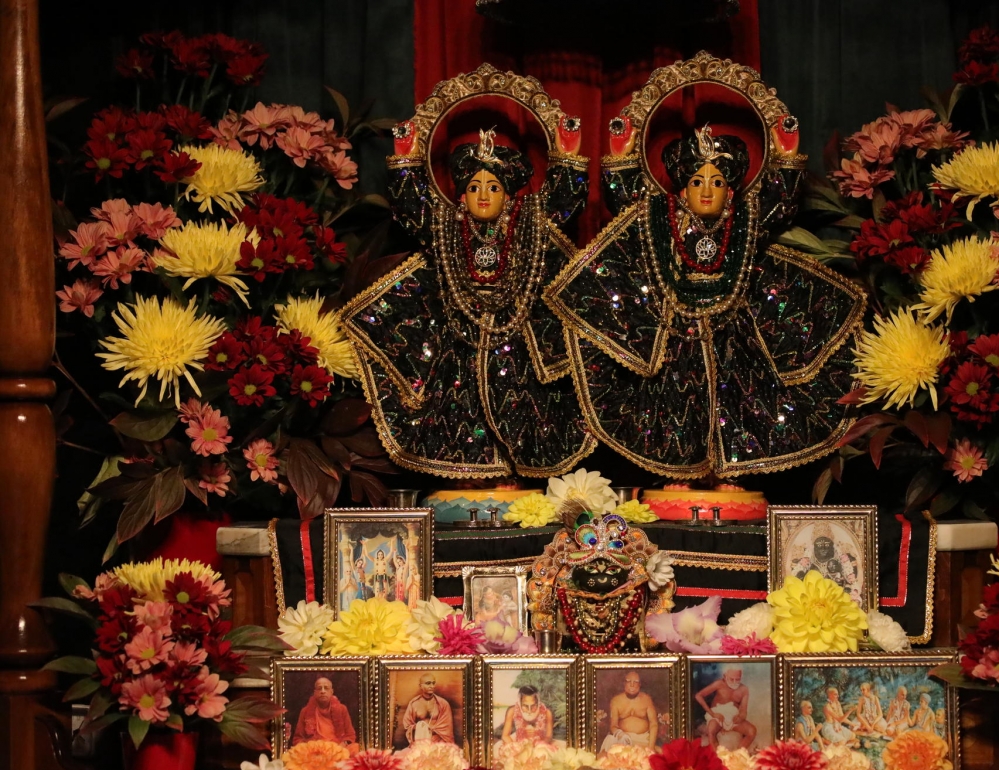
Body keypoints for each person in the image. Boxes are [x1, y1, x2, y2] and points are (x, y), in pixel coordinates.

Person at [545, 86, 865, 478]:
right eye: (697, 182)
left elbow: (779, 206)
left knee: (743, 402)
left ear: (731, 191)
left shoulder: (745, 220)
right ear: (681, 190)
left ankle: (732, 472)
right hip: (675, 333)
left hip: (735, 331)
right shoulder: (662, 219)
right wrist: (622, 156)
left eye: (717, 182)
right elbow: (629, 204)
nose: (707, 190)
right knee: (675, 404)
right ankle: (683, 471)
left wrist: (785, 156)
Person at [347, 103, 594, 478]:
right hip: (459, 345)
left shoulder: (527, 228)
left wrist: (567, 155)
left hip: (516, 347)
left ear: (509, 196)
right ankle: (470, 476)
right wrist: (406, 159)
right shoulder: (446, 229)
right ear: (461, 195)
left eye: (493, 187)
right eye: (474, 187)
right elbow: (413, 209)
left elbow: (561, 205)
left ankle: (514, 472)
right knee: (459, 412)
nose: (483, 196)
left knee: (520, 410)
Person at [694, 667, 757, 750]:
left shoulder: (744, 689)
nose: (734, 682)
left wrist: (740, 717)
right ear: (725, 676)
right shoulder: (719, 684)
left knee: (752, 731)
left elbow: (743, 711)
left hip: (732, 716)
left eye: (737, 679)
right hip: (717, 715)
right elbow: (698, 696)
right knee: (711, 730)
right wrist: (712, 714)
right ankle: (717, 755)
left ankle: (737, 754)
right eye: (731, 679)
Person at [292, 676, 359, 754]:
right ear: (315, 692)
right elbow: (298, 738)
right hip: (315, 750)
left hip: (337, 747)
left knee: (356, 748)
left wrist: (341, 746)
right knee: (294, 752)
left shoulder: (342, 709)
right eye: (319, 688)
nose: (323, 691)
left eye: (326, 688)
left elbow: (350, 735)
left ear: (331, 692)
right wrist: (309, 747)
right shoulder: (305, 711)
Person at [601, 671, 658, 752]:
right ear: (624, 683)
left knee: (660, 753)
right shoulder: (616, 701)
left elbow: (653, 724)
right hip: (623, 739)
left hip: (643, 739)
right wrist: (620, 734)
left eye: (635, 682)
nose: (632, 685)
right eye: (629, 681)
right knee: (608, 747)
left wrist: (651, 746)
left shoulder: (647, 699)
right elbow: (613, 725)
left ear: (640, 684)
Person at [396, 673, 455, 748]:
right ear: (420, 686)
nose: (432, 686)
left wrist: (433, 730)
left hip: (438, 743)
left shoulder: (443, 703)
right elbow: (408, 725)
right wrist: (419, 727)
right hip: (420, 741)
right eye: (428, 683)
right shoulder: (414, 703)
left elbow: (447, 728)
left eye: (433, 683)